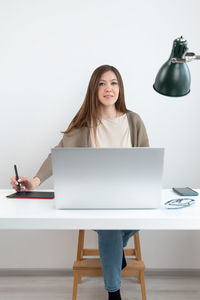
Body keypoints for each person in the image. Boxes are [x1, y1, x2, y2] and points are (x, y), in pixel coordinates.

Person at [11, 65, 149, 300]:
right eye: (102, 83)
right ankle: (113, 292)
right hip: (94, 201)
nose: (108, 88)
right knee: (109, 226)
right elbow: (58, 154)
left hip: (128, 200)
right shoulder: (84, 122)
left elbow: (147, 161)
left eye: (114, 83)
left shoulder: (133, 120)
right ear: (94, 90)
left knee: (125, 224)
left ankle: (115, 251)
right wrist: (34, 182)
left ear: (120, 88)